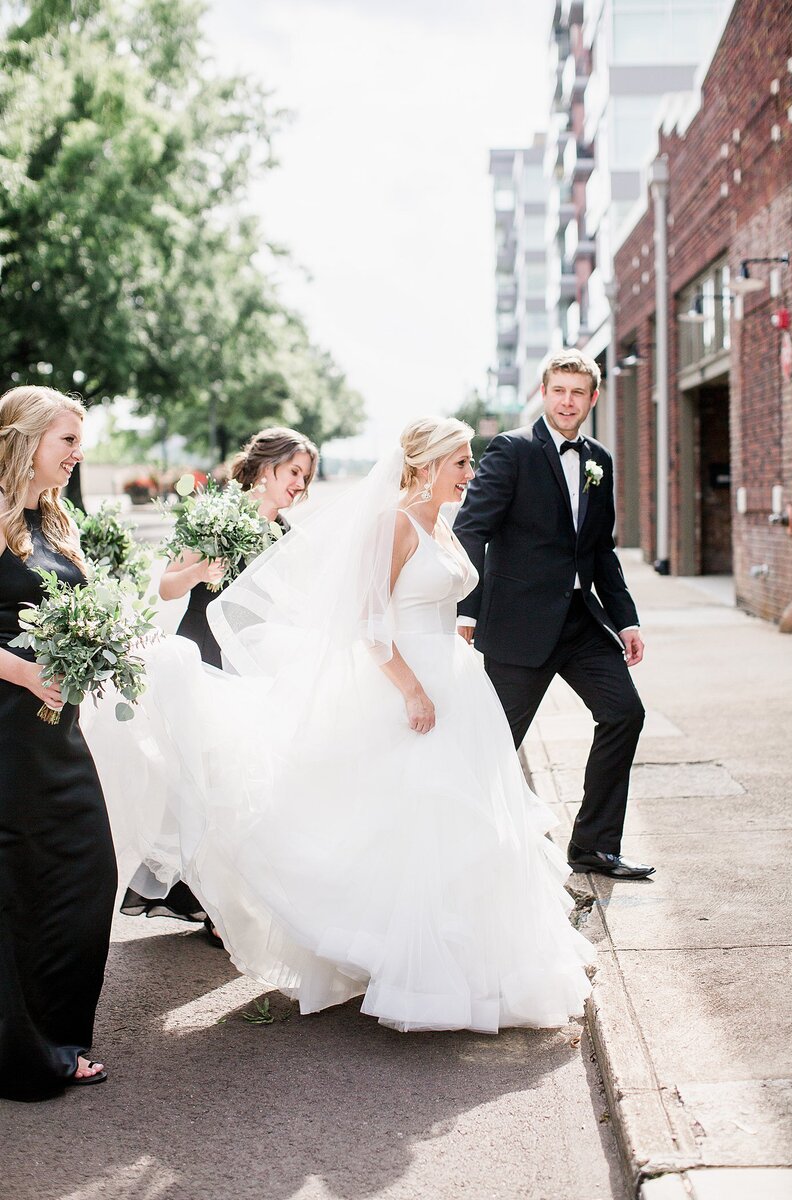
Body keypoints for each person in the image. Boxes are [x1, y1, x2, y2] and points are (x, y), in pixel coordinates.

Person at [88, 417, 594, 1033]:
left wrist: (454, 634)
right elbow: (369, 617)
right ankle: (398, 959)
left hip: (456, 684)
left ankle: (470, 964)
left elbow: (428, 596)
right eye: (462, 461)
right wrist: (411, 688)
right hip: (405, 687)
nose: (472, 472)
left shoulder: (443, 523)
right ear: (429, 464)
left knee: (464, 825)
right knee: (406, 822)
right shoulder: (394, 523)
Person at [453, 349, 652, 880]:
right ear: (544, 393)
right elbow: (473, 529)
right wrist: (466, 609)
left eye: (578, 392)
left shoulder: (599, 461)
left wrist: (625, 619)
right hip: (518, 624)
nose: (568, 401)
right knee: (493, 741)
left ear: (593, 398)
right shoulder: (511, 450)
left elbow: (600, 550)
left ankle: (593, 846)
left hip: (582, 623)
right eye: (559, 390)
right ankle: (459, 847)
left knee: (624, 713)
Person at [119, 427, 318, 937]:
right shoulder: (213, 514)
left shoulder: (287, 536)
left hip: (255, 667)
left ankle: (224, 897)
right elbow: (165, 588)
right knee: (204, 777)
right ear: (266, 466)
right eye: (295, 471)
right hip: (202, 660)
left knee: (246, 780)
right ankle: (208, 899)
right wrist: (201, 570)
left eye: (307, 477)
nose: (300, 484)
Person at [0, 385, 117, 1100]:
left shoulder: (57, 516)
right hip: (9, 729)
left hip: (58, 732)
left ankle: (53, 1032)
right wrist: (23, 671)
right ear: (25, 440)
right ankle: (28, 1053)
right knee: (18, 884)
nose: (79, 454)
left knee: (84, 871)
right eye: (68, 441)